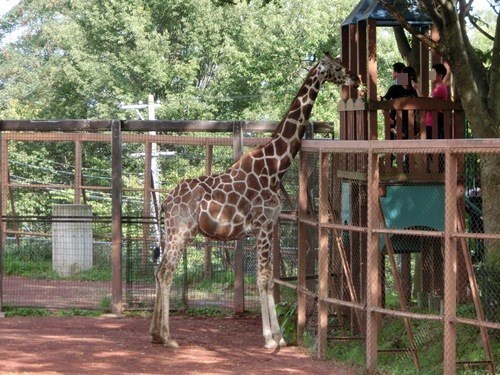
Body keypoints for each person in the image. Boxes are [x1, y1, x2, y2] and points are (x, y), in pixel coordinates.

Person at [425, 63, 449, 139]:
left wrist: (417, 89)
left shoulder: (440, 88)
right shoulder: (439, 87)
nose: (431, 75)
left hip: (433, 122)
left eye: (433, 73)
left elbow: (427, 102)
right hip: (433, 121)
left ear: (440, 75)